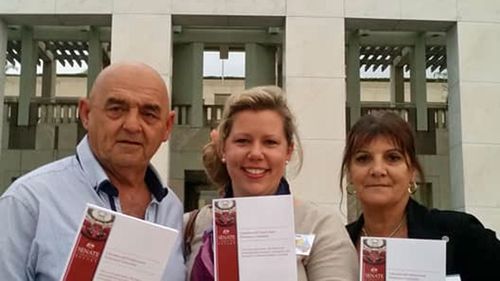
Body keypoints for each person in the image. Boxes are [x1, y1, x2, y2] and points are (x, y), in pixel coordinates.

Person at [0, 62, 185, 281]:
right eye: (116, 109)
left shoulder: (171, 209)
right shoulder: (28, 202)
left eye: (149, 114)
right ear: (86, 114)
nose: (133, 125)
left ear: (167, 127)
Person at [184, 86, 358, 281]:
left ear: (288, 151)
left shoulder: (319, 227)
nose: (256, 154)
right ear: (224, 149)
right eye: (242, 141)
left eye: (270, 142)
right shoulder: (191, 226)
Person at [341, 111, 500, 280]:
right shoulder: (336, 245)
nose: (378, 170)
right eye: (363, 158)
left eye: (393, 158)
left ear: (413, 172)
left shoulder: (460, 234)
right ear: (350, 173)